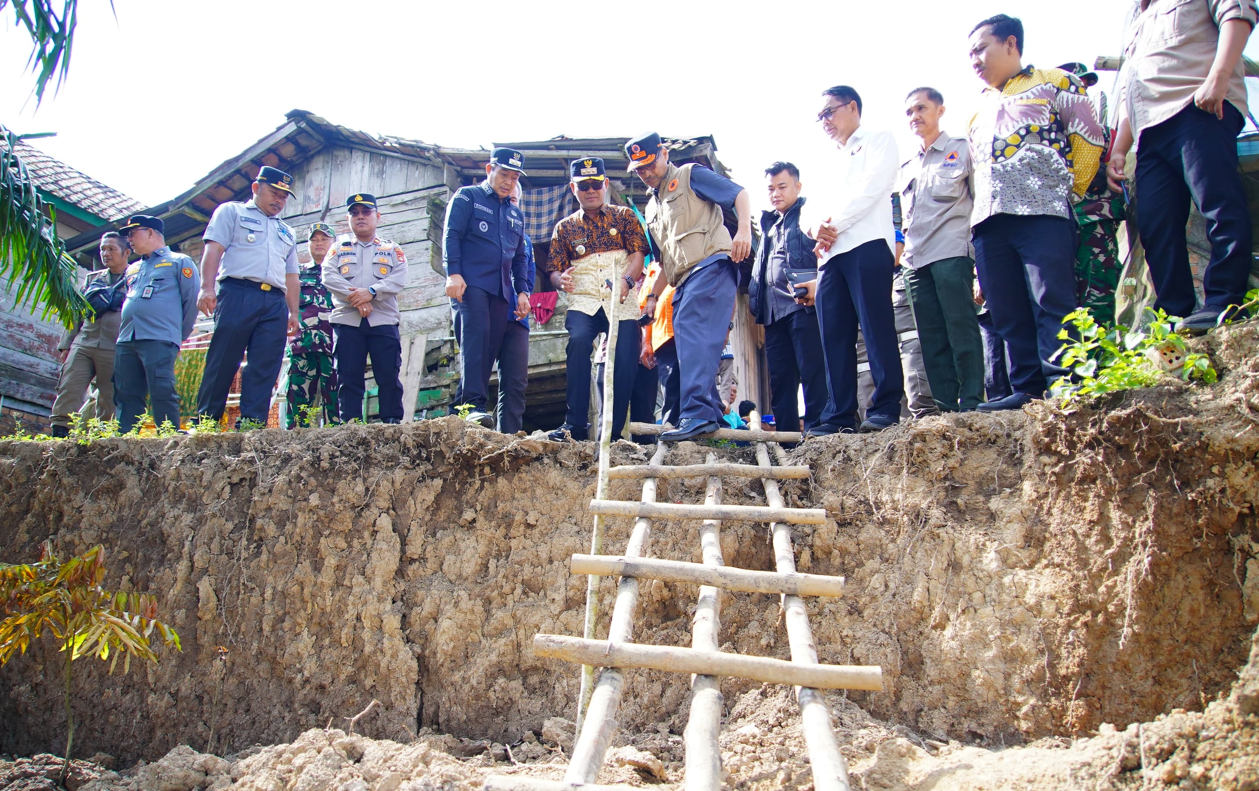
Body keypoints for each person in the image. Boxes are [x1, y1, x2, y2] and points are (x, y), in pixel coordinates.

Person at [967, 14, 1105, 410]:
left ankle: (1065, 382)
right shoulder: (977, 110)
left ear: (1011, 43)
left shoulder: (1056, 81)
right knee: (1007, 309)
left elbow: (1088, 137)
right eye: (970, 54)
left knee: (1051, 299)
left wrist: (1068, 188)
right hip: (990, 222)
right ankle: (1026, 388)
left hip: (1042, 210)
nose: (974, 60)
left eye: (981, 49)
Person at [1107, 0, 1256, 333]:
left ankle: (1224, 300)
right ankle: (1174, 311)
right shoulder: (1138, 19)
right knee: (1155, 222)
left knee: (1218, 203)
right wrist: (1120, 148)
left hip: (1198, 105)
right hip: (1149, 131)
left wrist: (1218, 77)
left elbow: (1239, 14)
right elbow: (1133, 86)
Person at [629, 132, 753, 442]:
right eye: (639, 169)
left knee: (689, 326)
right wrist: (653, 297)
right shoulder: (651, 208)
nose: (646, 172)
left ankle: (696, 413)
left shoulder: (690, 175)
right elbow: (662, 260)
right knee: (686, 339)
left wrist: (744, 232)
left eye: (649, 163)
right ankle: (708, 411)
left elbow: (740, 194)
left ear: (664, 153)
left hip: (711, 265)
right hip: (683, 279)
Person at [796, 86, 904, 436]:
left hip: (868, 243)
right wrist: (817, 228)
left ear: (853, 107)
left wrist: (834, 225)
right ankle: (840, 414)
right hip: (830, 257)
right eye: (820, 116)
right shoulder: (826, 160)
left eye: (829, 112)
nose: (824, 121)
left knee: (876, 327)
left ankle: (886, 406)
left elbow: (874, 187)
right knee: (834, 336)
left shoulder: (878, 140)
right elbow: (808, 211)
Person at [897, 87, 985, 413]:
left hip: (951, 252)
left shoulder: (962, 150)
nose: (915, 116)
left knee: (961, 329)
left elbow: (980, 202)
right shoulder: (906, 166)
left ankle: (974, 402)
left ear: (940, 110)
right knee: (930, 339)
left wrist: (979, 263)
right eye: (909, 112)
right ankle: (946, 408)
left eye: (921, 108)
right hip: (916, 261)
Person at [546, 157, 647, 442]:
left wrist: (627, 280)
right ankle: (574, 425)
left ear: (604, 184)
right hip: (585, 300)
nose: (590, 190)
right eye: (583, 185)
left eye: (595, 184)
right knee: (578, 343)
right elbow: (553, 268)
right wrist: (558, 280)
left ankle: (612, 435)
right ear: (573, 188)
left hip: (621, 301)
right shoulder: (565, 228)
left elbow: (639, 254)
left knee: (625, 360)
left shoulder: (625, 216)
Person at [195, 166, 301, 427]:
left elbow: (291, 275)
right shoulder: (231, 212)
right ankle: (207, 421)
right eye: (274, 193)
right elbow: (213, 250)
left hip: (275, 302)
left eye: (284, 196)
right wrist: (207, 288)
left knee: (265, 364)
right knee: (223, 359)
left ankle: (253, 423)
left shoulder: (287, 231)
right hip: (238, 293)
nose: (279, 200)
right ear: (256, 188)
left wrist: (294, 312)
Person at [443, 148, 532, 428]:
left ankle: (463, 410)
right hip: (470, 284)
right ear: (488, 169)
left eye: (514, 177)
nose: (508, 181)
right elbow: (452, 235)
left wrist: (522, 292)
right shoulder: (468, 197)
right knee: (475, 341)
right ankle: (472, 405)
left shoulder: (515, 214)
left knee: (489, 349)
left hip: (502, 292)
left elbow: (519, 258)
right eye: (503, 174)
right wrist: (453, 273)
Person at [750, 162, 828, 434]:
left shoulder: (808, 214)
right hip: (772, 315)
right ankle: (787, 441)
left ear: (798, 186)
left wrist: (819, 282)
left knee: (813, 373)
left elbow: (828, 251)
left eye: (782, 187)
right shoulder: (769, 225)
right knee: (780, 381)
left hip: (803, 307)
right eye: (771, 188)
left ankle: (819, 433)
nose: (776, 194)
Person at [321, 194, 409, 423]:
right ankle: (350, 424)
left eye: (366, 212)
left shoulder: (391, 248)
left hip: (383, 320)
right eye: (354, 213)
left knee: (388, 374)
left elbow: (399, 278)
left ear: (377, 216)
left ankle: (391, 422)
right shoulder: (337, 249)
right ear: (348, 219)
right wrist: (358, 298)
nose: (360, 217)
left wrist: (370, 292)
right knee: (348, 376)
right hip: (347, 320)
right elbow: (328, 276)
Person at [112, 215, 199, 433]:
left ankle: (168, 432)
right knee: (126, 390)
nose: (129, 239)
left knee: (161, 387)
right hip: (127, 337)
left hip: (159, 336)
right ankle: (126, 435)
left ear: (151, 232)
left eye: (133, 233)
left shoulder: (179, 261)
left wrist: (179, 334)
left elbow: (191, 301)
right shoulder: (132, 268)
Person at [1059, 62, 1126, 328]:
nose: (1081, 91)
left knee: (1099, 292)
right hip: (1055, 226)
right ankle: (1068, 365)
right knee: (1060, 298)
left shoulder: (1103, 132)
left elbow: (1118, 170)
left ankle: (1101, 363)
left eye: (1084, 86)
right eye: (1075, 85)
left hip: (1096, 222)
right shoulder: (1041, 134)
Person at [50, 231, 130, 437]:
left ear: (126, 252)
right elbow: (76, 312)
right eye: (103, 249)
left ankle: (101, 439)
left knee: (108, 396)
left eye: (111, 249)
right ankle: (59, 433)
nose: (106, 253)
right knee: (69, 386)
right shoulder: (93, 279)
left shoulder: (135, 278)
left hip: (115, 346)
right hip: (84, 342)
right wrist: (66, 345)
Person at [285, 222, 339, 428]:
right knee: (299, 404)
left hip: (333, 346)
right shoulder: (296, 274)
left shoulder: (341, 272)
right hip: (302, 346)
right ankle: (296, 441)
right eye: (314, 239)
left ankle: (340, 439)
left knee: (335, 400)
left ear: (333, 243)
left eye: (324, 239)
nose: (319, 243)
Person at [495, 183, 535, 435]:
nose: (510, 204)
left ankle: (509, 439)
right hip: (486, 313)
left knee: (515, 383)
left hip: (517, 319)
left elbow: (528, 277)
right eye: (505, 199)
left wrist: (525, 296)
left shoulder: (526, 241)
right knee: (473, 374)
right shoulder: (481, 234)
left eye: (514, 200)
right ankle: (465, 432)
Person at [641, 258, 680, 427]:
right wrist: (646, 343)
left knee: (695, 381)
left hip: (690, 330)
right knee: (670, 387)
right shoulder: (652, 269)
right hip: (663, 335)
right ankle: (671, 429)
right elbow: (646, 310)